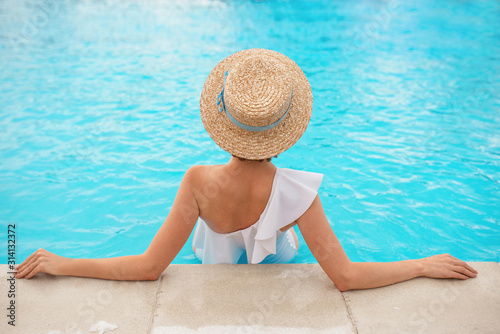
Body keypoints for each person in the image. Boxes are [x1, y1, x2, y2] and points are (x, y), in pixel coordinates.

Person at [15, 49, 477, 291]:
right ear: (286, 125)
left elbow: (148, 267)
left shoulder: (197, 182)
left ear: (223, 121)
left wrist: (67, 263)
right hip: (281, 264)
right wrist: (420, 264)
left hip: (212, 264)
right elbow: (347, 278)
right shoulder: (300, 193)